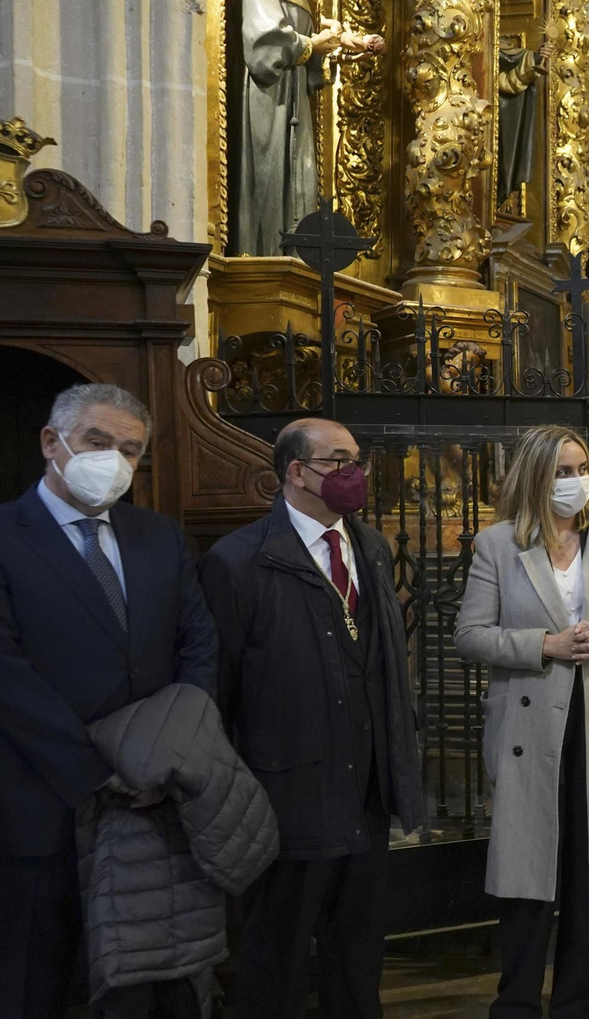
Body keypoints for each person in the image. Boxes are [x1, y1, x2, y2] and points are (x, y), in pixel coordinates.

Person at [0, 383, 218, 1019]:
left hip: (149, 807)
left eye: (130, 450)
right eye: (98, 442)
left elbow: (198, 649)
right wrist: (99, 771)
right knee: (33, 981)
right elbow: (8, 677)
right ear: (52, 442)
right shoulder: (6, 536)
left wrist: (167, 757)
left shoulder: (159, 537)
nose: (114, 461)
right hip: (40, 803)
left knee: (138, 990)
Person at [198, 417, 424, 1019]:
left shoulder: (370, 547)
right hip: (285, 793)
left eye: (358, 461)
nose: (354, 474)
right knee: (277, 954)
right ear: (295, 472)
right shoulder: (237, 561)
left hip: (365, 789)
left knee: (358, 950)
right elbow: (214, 695)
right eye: (338, 461)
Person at [455, 425, 589, 1018]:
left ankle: (577, 1002)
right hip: (529, 723)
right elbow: (469, 635)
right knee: (526, 866)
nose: (574, 482)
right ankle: (516, 1002)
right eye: (561, 472)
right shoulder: (498, 543)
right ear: (534, 477)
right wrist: (544, 644)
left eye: (580, 469)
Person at [235, 0, 382, 256]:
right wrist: (314, 43)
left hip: (293, 96)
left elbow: (305, 55)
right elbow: (264, 47)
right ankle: (264, 254)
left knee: (299, 175)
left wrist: (333, 49)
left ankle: (294, 256)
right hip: (269, 97)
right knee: (271, 172)